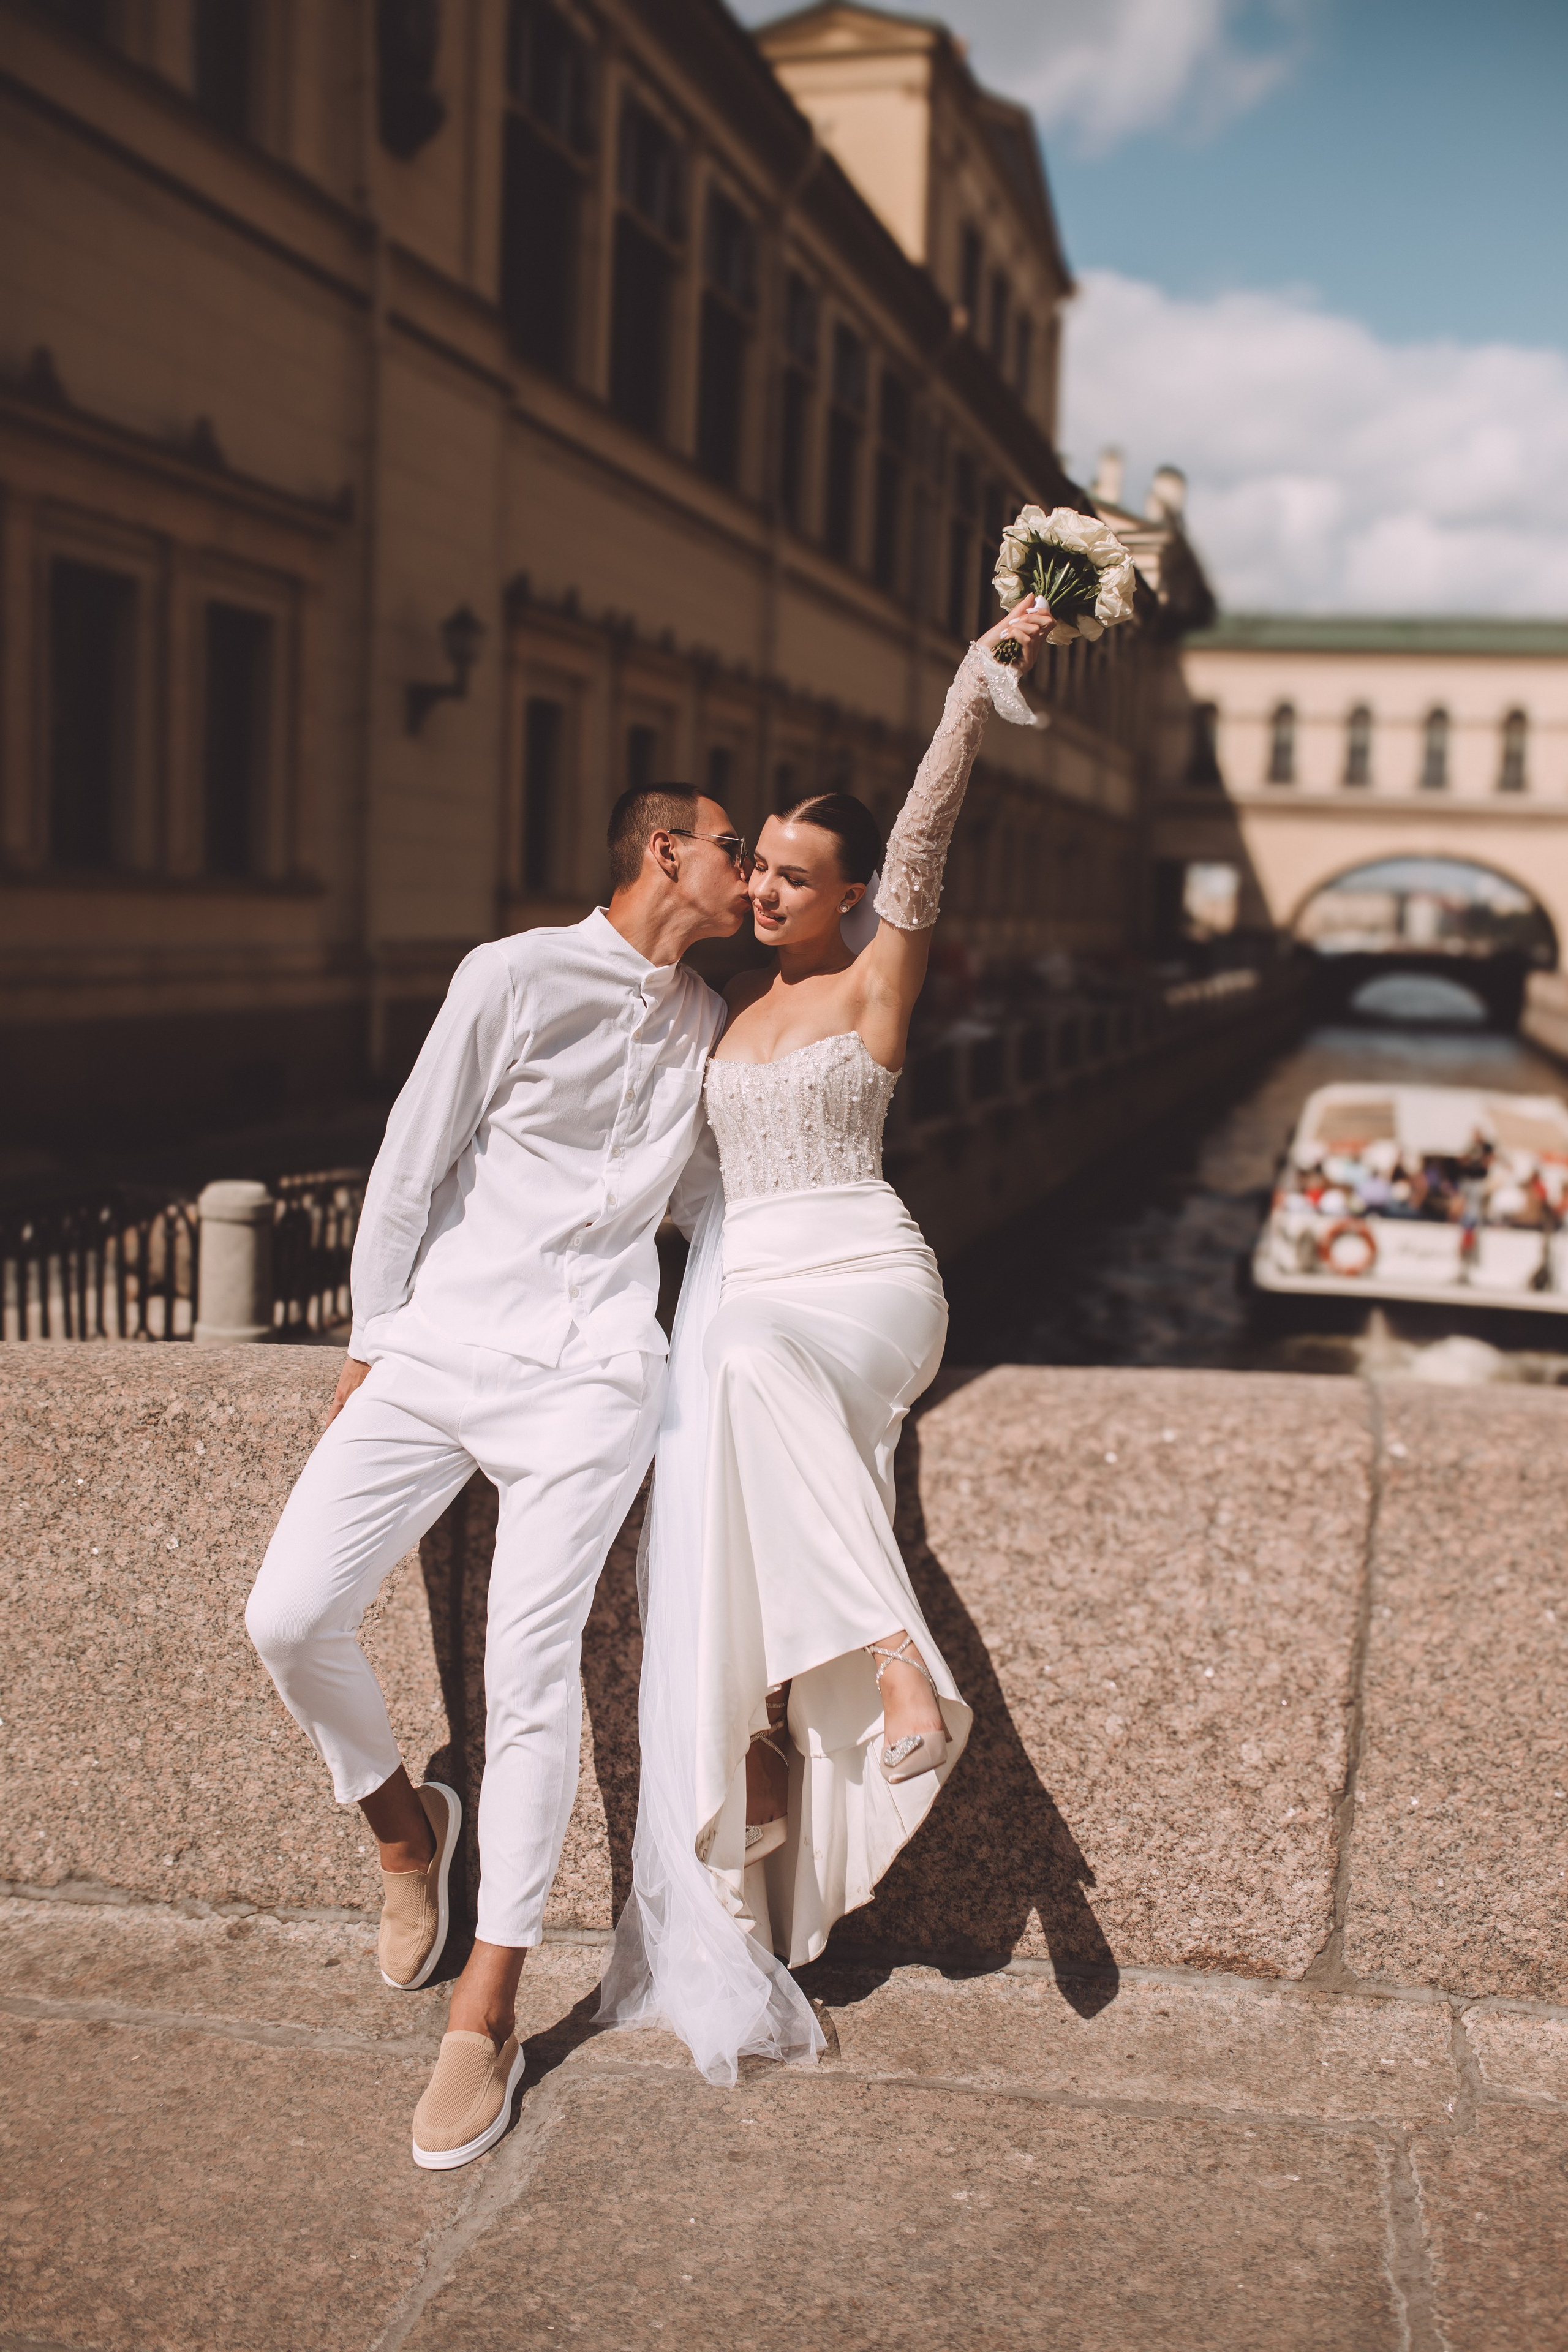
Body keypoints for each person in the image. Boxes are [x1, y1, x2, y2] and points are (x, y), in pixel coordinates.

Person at [245, 783, 750, 2168]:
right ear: (666, 851)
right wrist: (370, 1342)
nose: (748, 869)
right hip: (441, 1347)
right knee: (287, 1616)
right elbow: (408, 1165)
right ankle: (406, 1832)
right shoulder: (512, 974)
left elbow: (706, 1197)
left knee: (529, 1673)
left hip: (595, 1377)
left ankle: (490, 2001)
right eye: (733, 846)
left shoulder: (708, 1019)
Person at [599, 601, 1054, 2084]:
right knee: (729, 1377)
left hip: (864, 1277)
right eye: (762, 871)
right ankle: (781, 1735)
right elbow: (667, 1182)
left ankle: (884, 1666)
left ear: (851, 893)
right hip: (753, 1294)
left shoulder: (874, 978)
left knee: (744, 1367)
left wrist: (970, 689)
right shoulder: (724, 1008)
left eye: (799, 877)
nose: (768, 892)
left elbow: (925, 833)